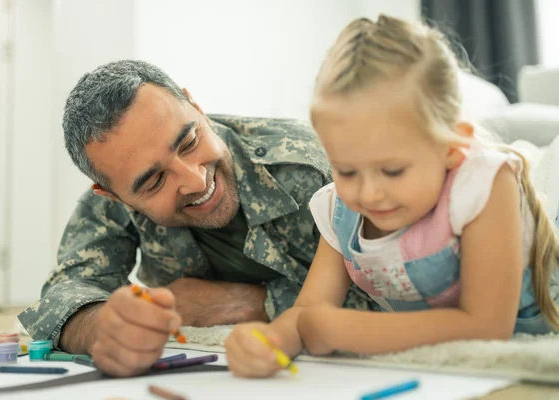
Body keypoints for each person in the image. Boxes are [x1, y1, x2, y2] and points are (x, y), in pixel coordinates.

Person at [225, 15, 559, 378]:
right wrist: (271, 340)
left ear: (452, 148)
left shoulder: (482, 183)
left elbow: (487, 326)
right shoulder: (339, 210)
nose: (368, 193)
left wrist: (344, 330)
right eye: (347, 171)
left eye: (393, 170)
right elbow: (308, 315)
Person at [17, 60, 371, 377]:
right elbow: (63, 293)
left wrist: (251, 302)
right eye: (155, 181)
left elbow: (396, 296)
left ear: (196, 107)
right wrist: (99, 327)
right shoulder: (118, 198)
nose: (195, 180)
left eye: (188, 142)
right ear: (113, 195)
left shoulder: (315, 169)